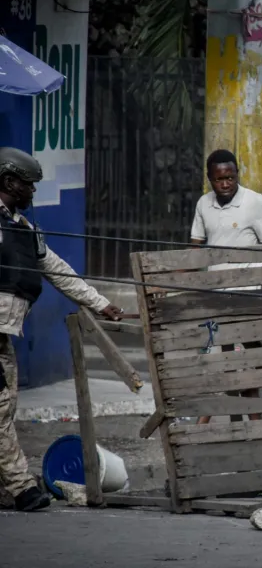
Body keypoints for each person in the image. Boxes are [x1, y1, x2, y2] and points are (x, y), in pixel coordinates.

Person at [0, 147, 123, 512]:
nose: (33, 192)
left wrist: (99, 303)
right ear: (9, 181)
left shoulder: (22, 229)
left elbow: (57, 270)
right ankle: (21, 488)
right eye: (28, 185)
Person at [190, 150, 262, 424]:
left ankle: (253, 424)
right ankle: (235, 422)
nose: (226, 184)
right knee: (224, 364)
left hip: (247, 298)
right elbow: (195, 249)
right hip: (216, 300)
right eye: (220, 179)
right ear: (210, 179)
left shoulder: (254, 203)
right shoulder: (204, 205)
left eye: (230, 177)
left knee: (247, 364)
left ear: (237, 175)